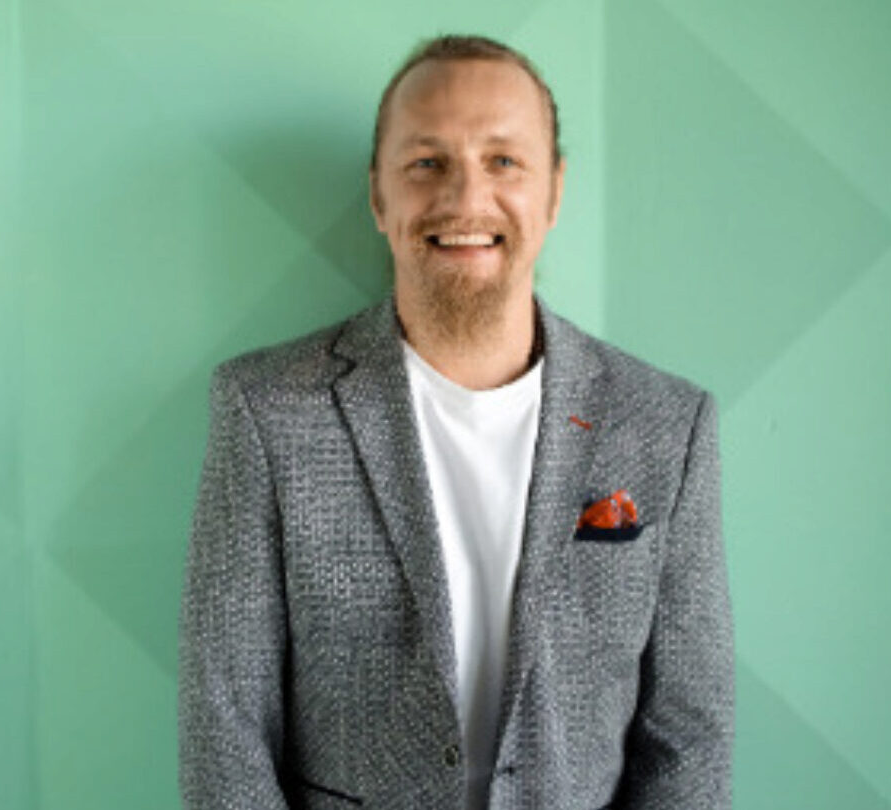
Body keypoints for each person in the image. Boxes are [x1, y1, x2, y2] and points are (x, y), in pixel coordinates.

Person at [180, 34, 734, 810]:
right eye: (426, 162)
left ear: (554, 191)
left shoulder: (667, 427)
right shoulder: (264, 410)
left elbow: (689, 741)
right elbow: (224, 730)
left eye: (503, 160)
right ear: (378, 196)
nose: (466, 198)